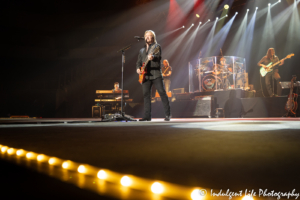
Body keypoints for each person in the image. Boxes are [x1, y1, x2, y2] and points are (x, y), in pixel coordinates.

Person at [136, 30, 171, 121]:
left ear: (153, 37)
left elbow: (158, 57)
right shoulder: (142, 50)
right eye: (146, 36)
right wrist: (138, 69)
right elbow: (138, 63)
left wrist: (153, 57)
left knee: (162, 93)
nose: (147, 37)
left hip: (156, 74)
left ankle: (168, 115)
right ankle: (147, 116)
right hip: (145, 76)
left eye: (149, 35)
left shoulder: (156, 46)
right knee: (146, 95)